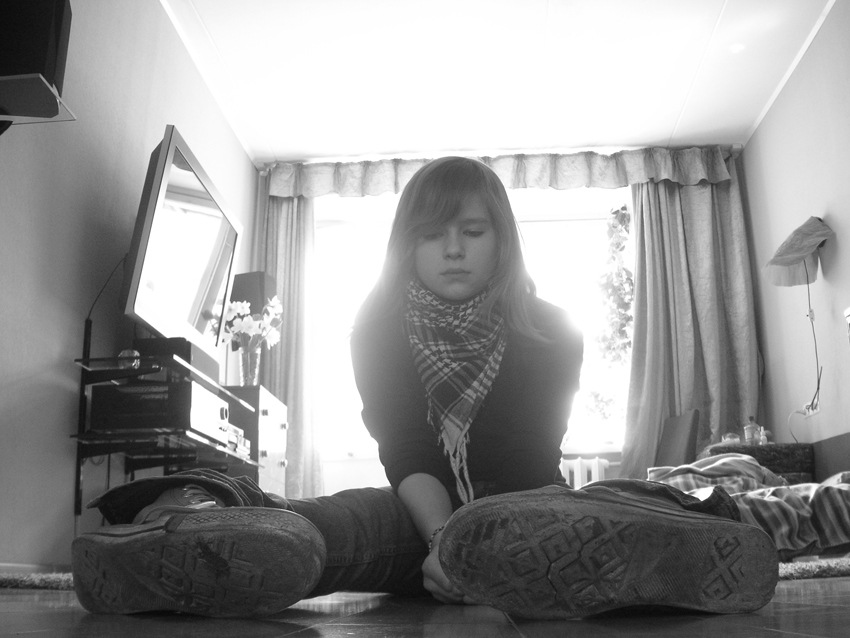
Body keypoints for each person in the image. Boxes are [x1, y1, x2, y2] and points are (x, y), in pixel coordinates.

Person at [72, 157, 778, 620]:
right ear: (406, 244)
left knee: (603, 508)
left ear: (502, 241)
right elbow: (406, 448)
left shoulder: (552, 329)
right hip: (421, 514)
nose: (454, 248)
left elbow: (528, 454)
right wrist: (446, 541)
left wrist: (479, 545)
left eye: (473, 231)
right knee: (318, 528)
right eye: (433, 234)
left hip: (526, 510)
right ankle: (170, 543)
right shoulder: (375, 327)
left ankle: (690, 539)